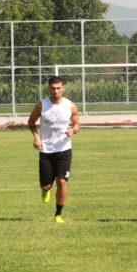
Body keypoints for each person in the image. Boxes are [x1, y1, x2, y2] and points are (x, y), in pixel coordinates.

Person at [28, 76, 80, 223]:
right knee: (46, 185)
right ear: (49, 88)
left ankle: (58, 214)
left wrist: (73, 131)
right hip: (46, 150)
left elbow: (77, 124)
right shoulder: (41, 105)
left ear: (63, 88)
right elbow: (31, 122)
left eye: (58, 88)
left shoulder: (70, 106)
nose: (56, 91)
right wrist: (36, 137)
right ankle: (45, 190)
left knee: (62, 182)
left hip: (64, 149)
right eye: (53, 88)